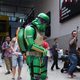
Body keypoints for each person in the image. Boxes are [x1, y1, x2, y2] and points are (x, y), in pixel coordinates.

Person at [17, 13, 49, 80]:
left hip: (41, 56)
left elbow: (40, 43)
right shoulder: (29, 29)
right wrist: (44, 50)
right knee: (35, 77)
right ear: (41, 21)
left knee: (43, 76)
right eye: (45, 23)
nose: (45, 25)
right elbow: (31, 45)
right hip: (32, 57)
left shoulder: (38, 30)